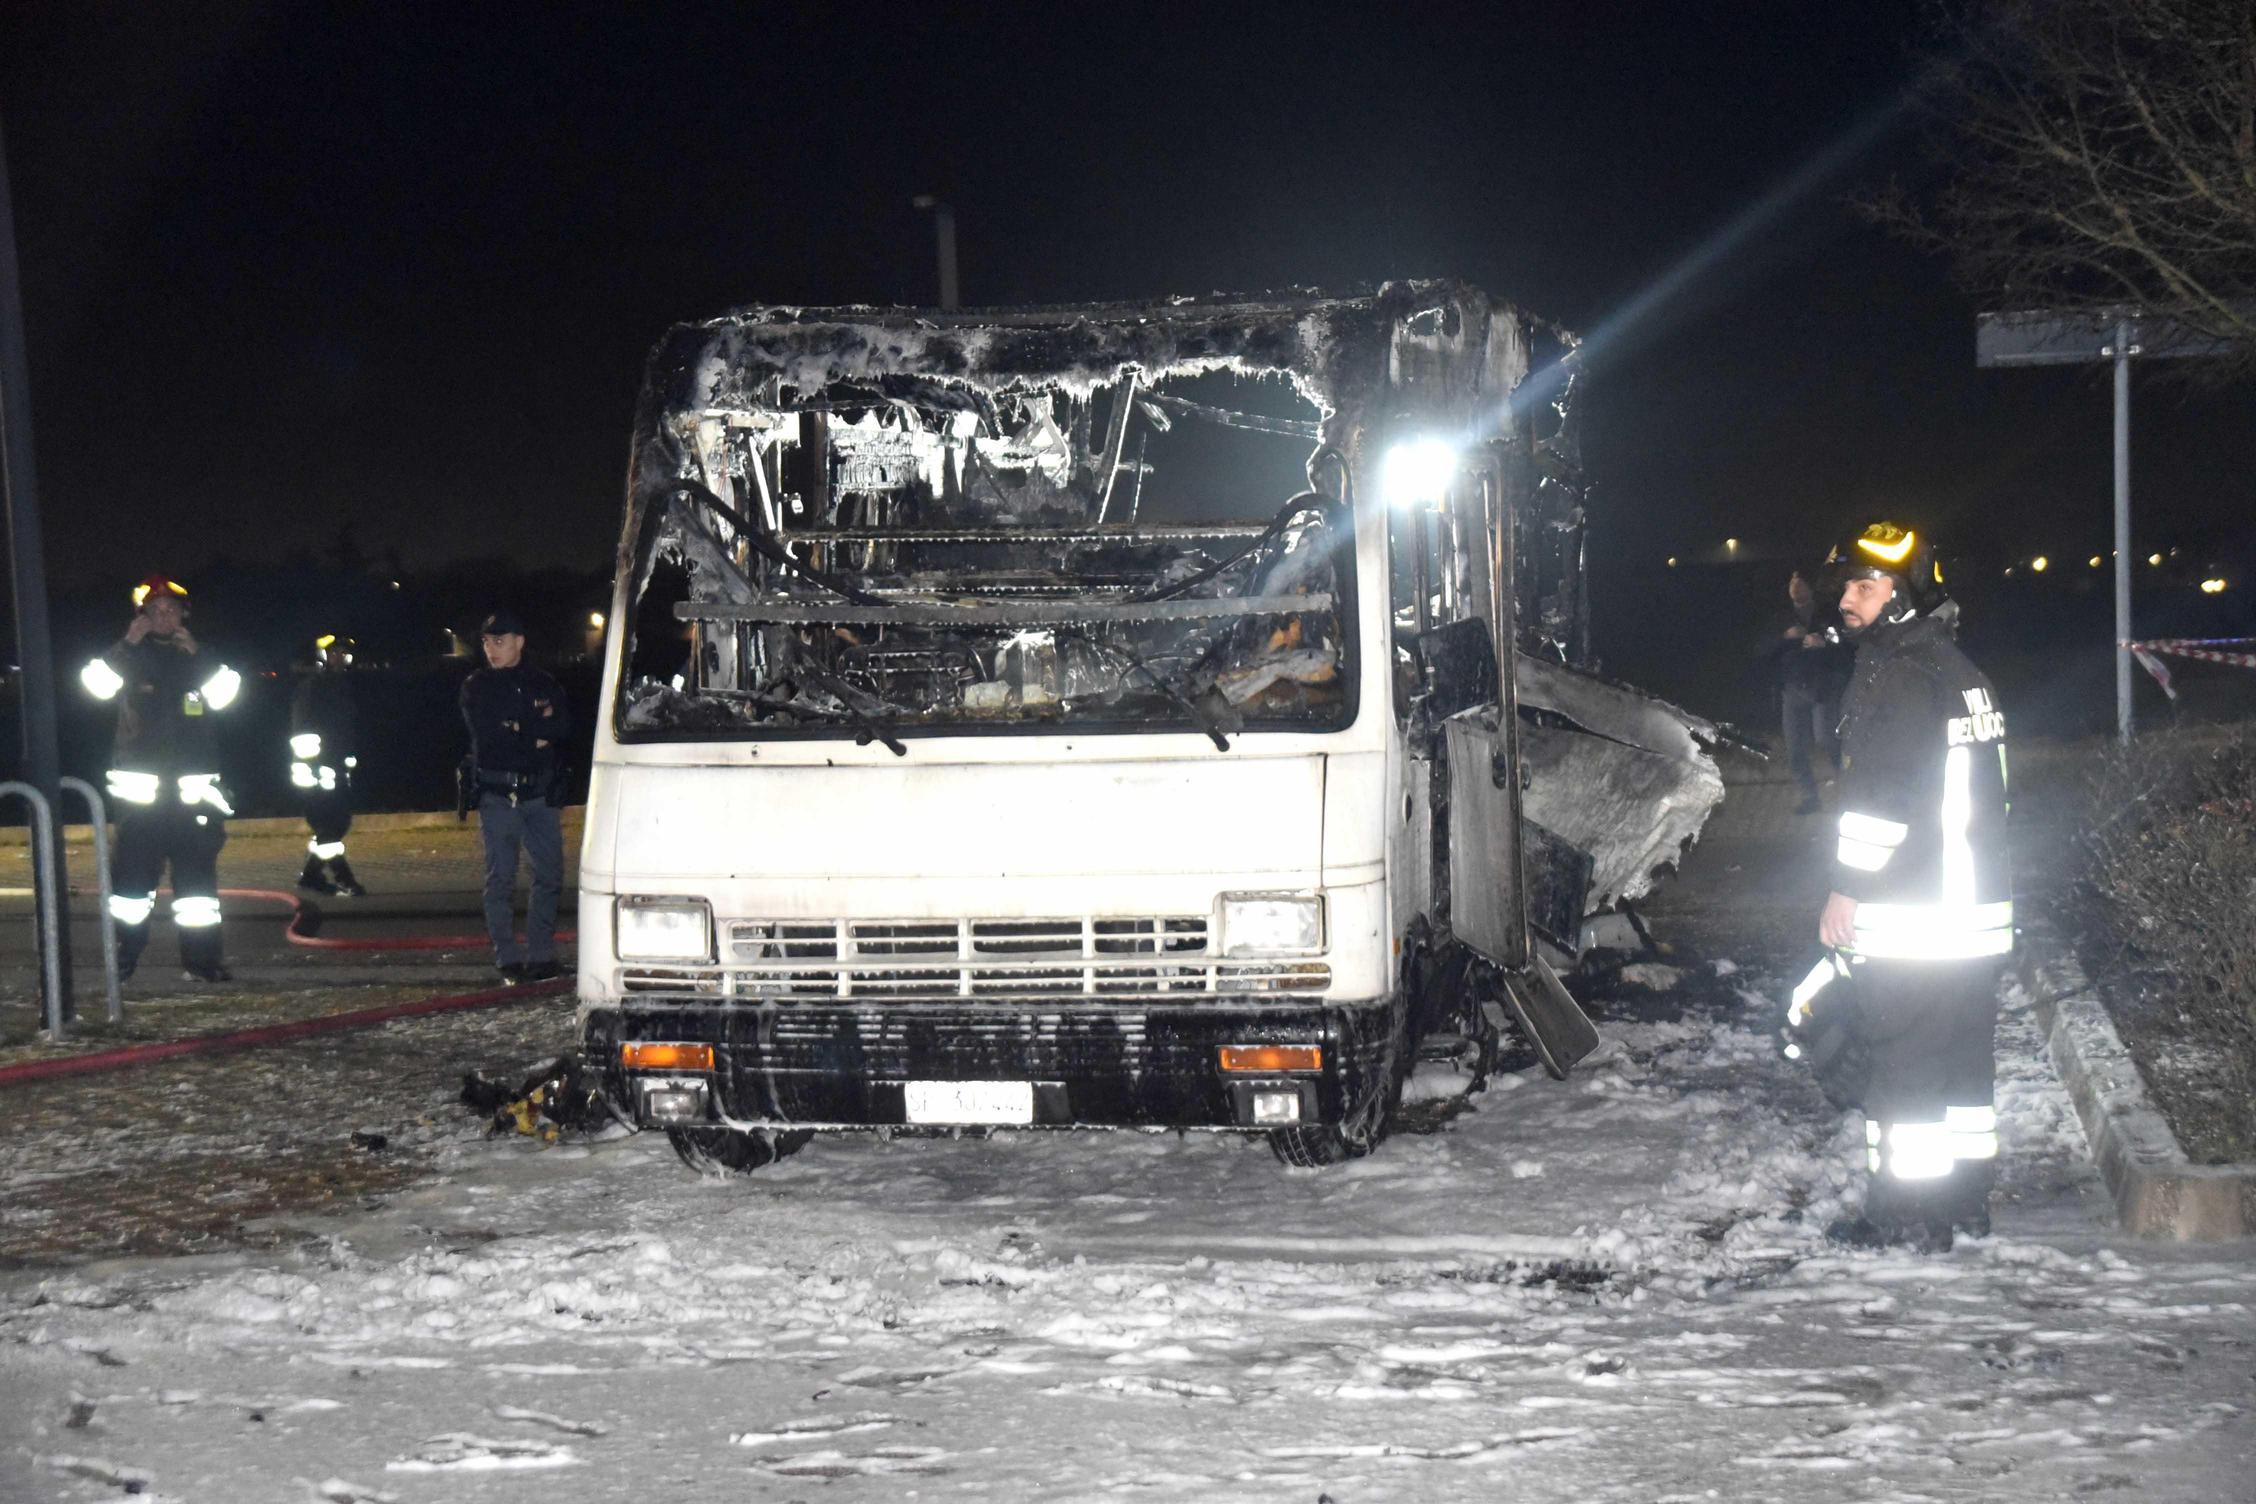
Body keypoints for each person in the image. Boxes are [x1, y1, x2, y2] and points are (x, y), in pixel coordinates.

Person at [1813, 521, 2013, 1249]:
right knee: (1963, 1069)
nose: (1846, 598)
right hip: (1975, 917)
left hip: (1918, 916)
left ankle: (1902, 1217)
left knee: (1903, 1070)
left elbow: (1881, 802)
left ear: (1900, 596)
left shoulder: (1898, 678)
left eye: (1863, 586)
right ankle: (1964, 1204)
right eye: (1846, 585)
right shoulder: (1962, 671)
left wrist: (1845, 888)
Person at [77, 574, 242, 983]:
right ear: (143, 617)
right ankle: (124, 957)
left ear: (184, 614)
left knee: (198, 892)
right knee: (131, 886)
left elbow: (228, 699)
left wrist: (200, 656)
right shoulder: (129, 657)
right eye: (155, 610)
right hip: (141, 802)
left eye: (171, 608)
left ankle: (202, 963)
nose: (164, 615)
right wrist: (127, 644)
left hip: (194, 800)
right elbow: (93, 687)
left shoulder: (200, 658)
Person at [460, 609, 569, 983]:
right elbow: (490, 736)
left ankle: (540, 957)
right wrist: (533, 731)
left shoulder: (542, 681)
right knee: (501, 878)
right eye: (487, 642)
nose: (492, 649)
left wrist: (521, 728)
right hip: (498, 793)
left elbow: (563, 727)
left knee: (550, 874)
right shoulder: (477, 685)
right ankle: (507, 959)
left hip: (539, 792)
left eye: (500, 641)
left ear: (519, 642)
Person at [1757, 568, 1850, 814]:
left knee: (1826, 738)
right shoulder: (1782, 616)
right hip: (1792, 688)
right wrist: (1785, 637)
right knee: (1795, 748)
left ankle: (1850, 785)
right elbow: (1763, 649)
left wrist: (1824, 642)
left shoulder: (1827, 611)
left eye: (1801, 585)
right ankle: (1810, 797)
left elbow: (1845, 640)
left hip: (1822, 686)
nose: (1796, 589)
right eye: (1792, 585)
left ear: (1810, 588)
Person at [291, 633, 365, 896]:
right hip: (317, 768)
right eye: (333, 652)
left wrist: (348, 758)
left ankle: (311, 875)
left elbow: (346, 727)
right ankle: (344, 878)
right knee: (328, 824)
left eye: (342, 653)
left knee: (338, 823)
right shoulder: (313, 686)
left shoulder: (343, 685)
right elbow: (301, 726)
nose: (338, 657)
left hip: (336, 765)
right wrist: (312, 765)